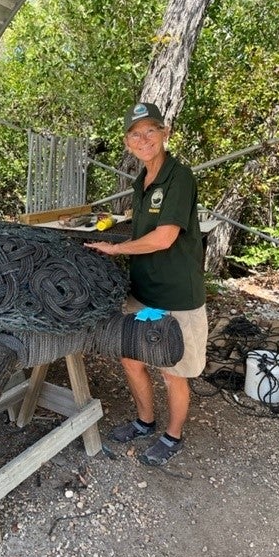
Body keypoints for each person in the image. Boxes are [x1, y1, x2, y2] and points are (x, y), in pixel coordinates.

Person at [85, 102, 208, 466]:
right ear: (127, 143)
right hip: (142, 293)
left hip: (177, 295)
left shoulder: (179, 176)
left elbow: (164, 237)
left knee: (172, 369)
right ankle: (144, 421)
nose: (144, 139)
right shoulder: (141, 182)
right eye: (136, 134)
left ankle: (172, 437)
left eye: (150, 130)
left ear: (165, 133)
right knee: (132, 357)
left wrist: (116, 248)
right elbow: (143, 228)